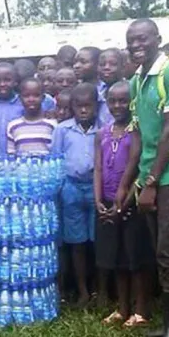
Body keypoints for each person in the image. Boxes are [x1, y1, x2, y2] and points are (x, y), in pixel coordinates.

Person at [118, 18, 169, 337]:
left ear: (158, 39)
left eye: (143, 39)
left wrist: (151, 182)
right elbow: (139, 133)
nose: (137, 45)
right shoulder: (139, 79)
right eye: (131, 40)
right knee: (165, 251)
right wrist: (136, 181)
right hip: (152, 176)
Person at [94, 82, 153, 329]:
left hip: (130, 203)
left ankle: (141, 311)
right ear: (106, 102)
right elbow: (97, 168)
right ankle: (122, 308)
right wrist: (97, 200)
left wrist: (124, 201)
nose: (118, 106)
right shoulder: (102, 133)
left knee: (135, 258)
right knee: (116, 258)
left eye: (123, 101)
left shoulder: (137, 131)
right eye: (113, 101)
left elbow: (136, 165)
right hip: (108, 203)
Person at [52, 83, 101, 306]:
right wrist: (61, 187)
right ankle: (81, 290)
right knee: (76, 241)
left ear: (96, 107)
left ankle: (98, 288)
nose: (83, 111)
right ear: (72, 107)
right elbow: (56, 159)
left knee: (97, 240)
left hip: (95, 187)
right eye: (79, 106)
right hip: (70, 187)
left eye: (88, 106)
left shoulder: (103, 128)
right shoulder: (62, 129)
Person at [0, 63, 56, 155]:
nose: (2, 84)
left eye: (7, 80)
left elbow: (46, 103)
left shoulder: (23, 101)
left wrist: (53, 113)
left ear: (15, 82)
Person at [7, 78, 58, 155]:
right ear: (20, 98)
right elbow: (11, 155)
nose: (31, 99)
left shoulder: (53, 125)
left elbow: (57, 153)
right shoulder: (13, 126)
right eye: (26, 96)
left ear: (43, 98)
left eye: (36, 95)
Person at [75, 46, 113, 124]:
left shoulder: (106, 90)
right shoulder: (75, 90)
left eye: (83, 62)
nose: (76, 65)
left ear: (97, 65)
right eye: (75, 62)